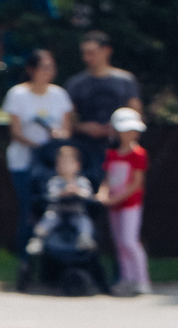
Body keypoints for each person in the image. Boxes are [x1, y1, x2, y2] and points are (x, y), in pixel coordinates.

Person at [1, 50, 72, 254]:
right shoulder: (17, 94)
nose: (49, 72)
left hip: (52, 164)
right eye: (44, 67)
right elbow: (15, 132)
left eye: (51, 67)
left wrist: (56, 140)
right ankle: (25, 257)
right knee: (28, 209)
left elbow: (67, 129)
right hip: (24, 162)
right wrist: (39, 147)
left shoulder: (59, 94)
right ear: (31, 69)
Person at [64, 30, 141, 180]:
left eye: (91, 52)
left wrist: (115, 129)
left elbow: (136, 114)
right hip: (85, 151)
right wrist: (84, 127)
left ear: (106, 51)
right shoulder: (75, 84)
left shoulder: (126, 81)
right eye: (84, 53)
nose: (87, 57)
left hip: (120, 150)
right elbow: (67, 120)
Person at [100, 106, 150, 295]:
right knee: (120, 244)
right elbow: (107, 178)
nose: (129, 134)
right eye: (125, 130)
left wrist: (115, 199)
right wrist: (104, 194)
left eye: (132, 130)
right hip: (114, 205)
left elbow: (136, 184)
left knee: (130, 241)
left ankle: (142, 280)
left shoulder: (138, 154)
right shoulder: (111, 154)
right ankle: (127, 279)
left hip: (130, 205)